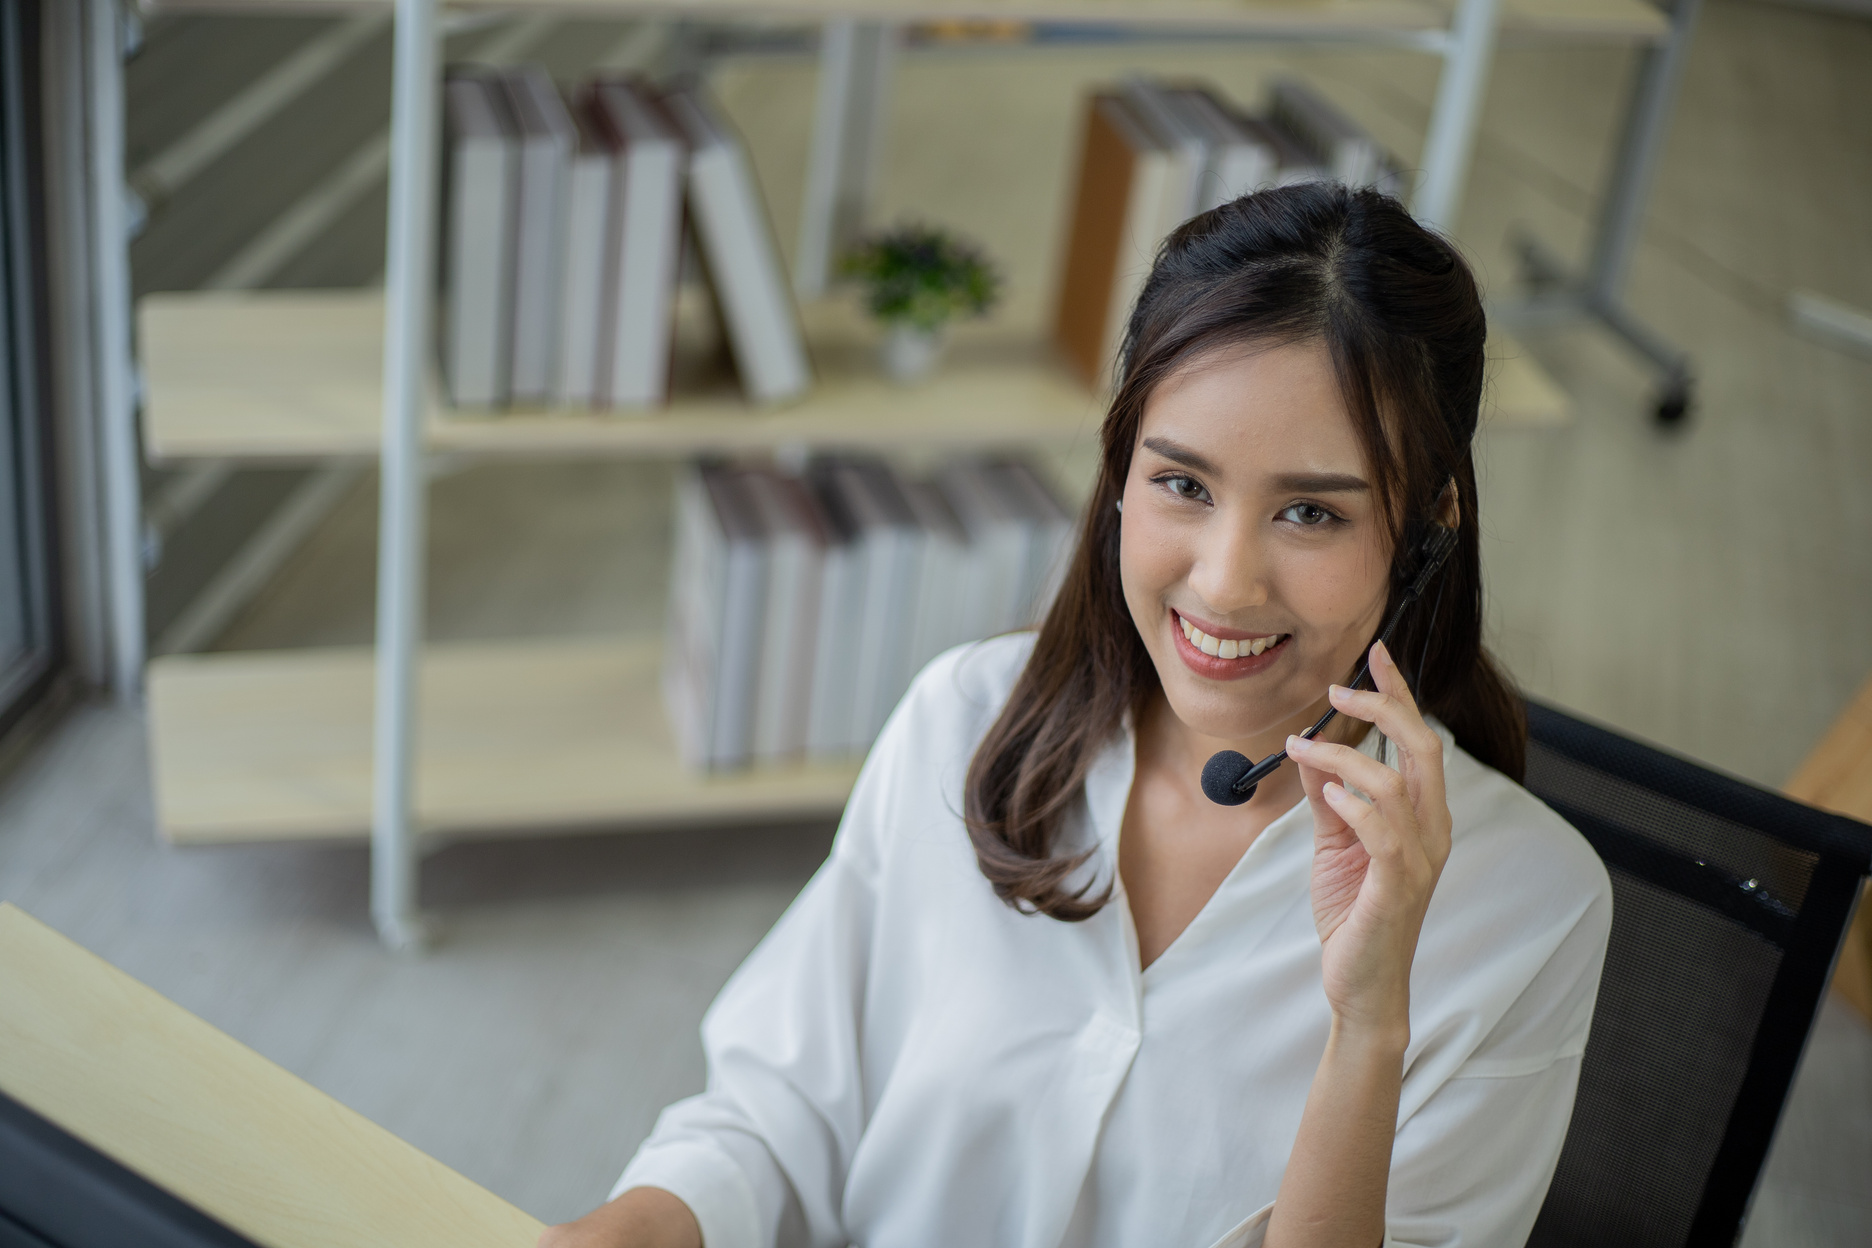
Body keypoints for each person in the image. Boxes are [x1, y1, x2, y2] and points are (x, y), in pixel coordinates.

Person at [541, 183, 1612, 1248]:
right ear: (1118, 473)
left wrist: (1371, 1027)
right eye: (1182, 485)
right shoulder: (964, 717)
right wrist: (647, 1221)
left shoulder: (1524, 910)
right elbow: (784, 1114)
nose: (1226, 582)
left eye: (1310, 511)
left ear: (1429, 523)